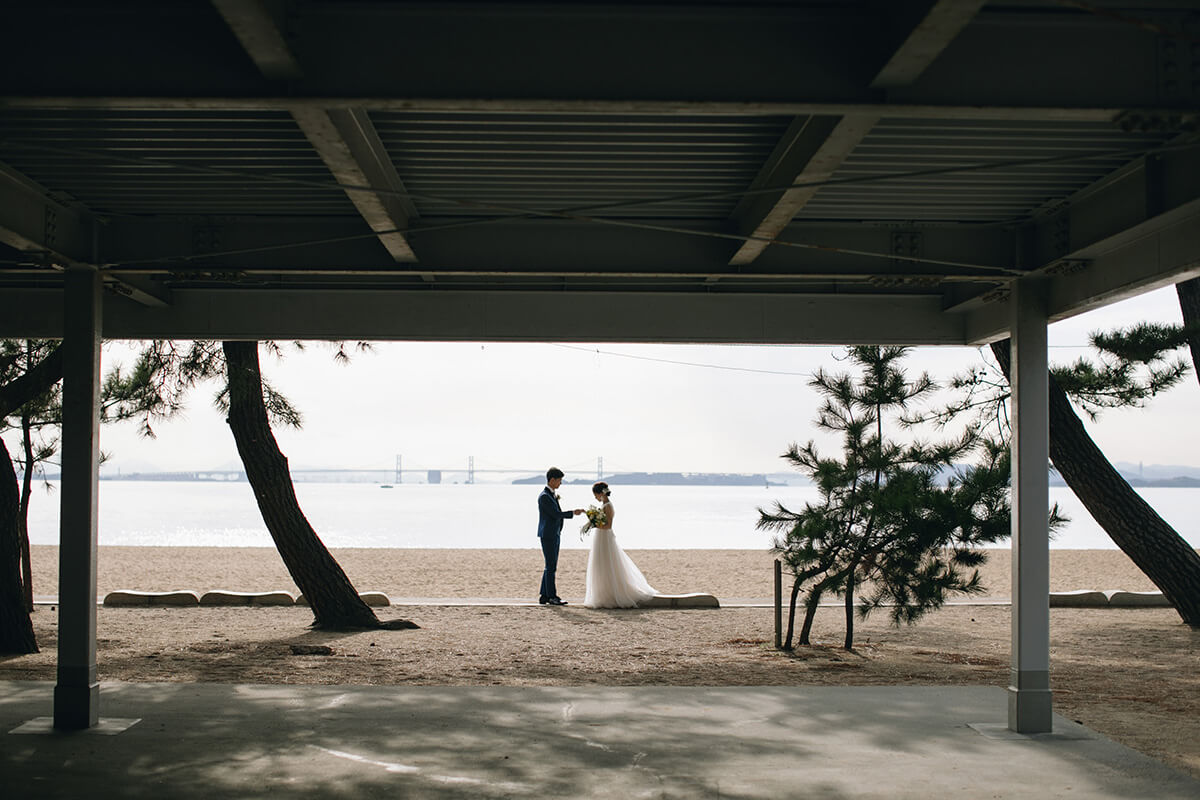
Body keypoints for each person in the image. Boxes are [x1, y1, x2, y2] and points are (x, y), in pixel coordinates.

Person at [584, 482, 658, 609]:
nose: (595, 497)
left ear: (600, 493)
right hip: (601, 537)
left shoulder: (607, 506)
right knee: (601, 564)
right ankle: (604, 593)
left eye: (595, 494)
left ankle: (611, 593)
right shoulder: (604, 505)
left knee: (607, 563)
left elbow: (608, 526)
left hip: (605, 537)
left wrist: (593, 523)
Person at [537, 467, 581, 606]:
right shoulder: (545, 496)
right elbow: (555, 514)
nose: (560, 483)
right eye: (559, 480)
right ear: (552, 480)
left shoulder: (551, 494)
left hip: (553, 533)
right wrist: (573, 513)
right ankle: (552, 596)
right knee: (551, 566)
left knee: (549, 565)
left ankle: (544, 595)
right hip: (549, 534)